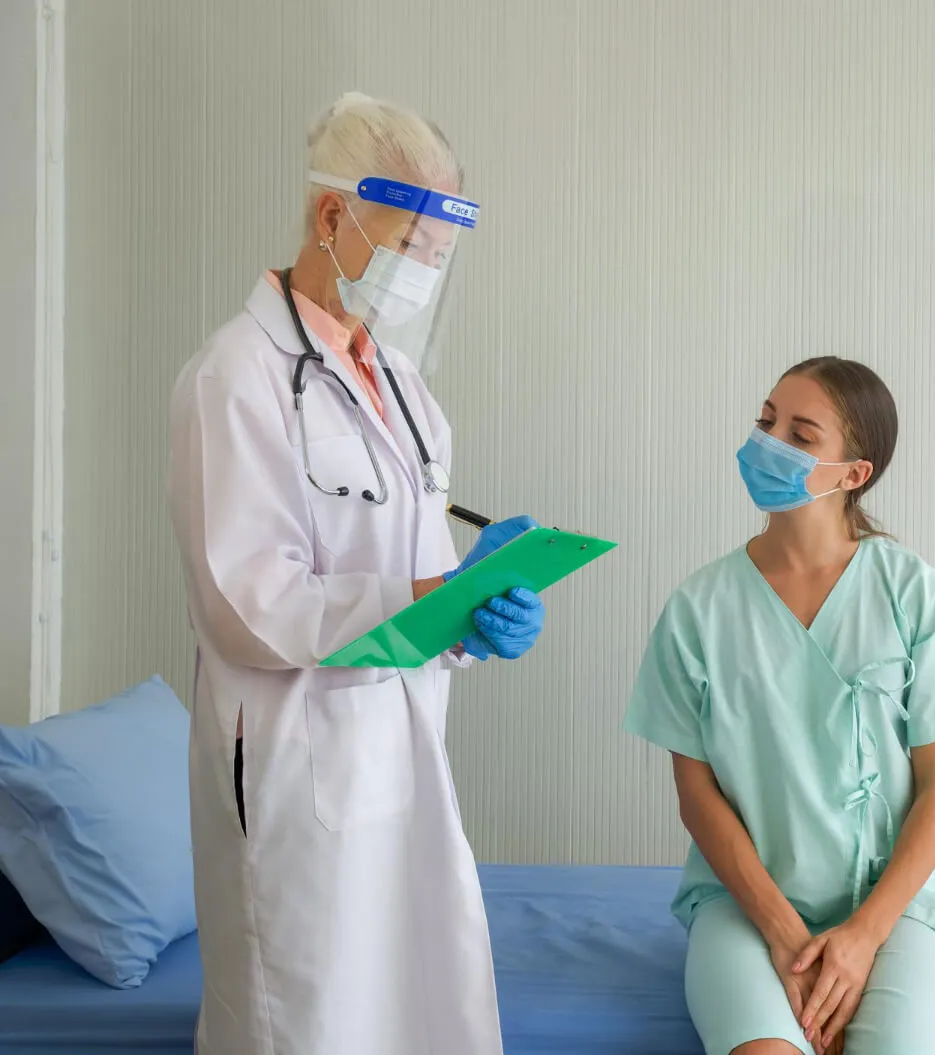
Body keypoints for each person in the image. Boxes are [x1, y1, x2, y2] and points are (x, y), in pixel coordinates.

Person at [167, 92, 542, 1055]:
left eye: (438, 251)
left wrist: (470, 613)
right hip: (296, 772)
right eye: (411, 240)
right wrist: (435, 600)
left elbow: (411, 576)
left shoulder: (406, 389)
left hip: (401, 751)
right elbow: (249, 601)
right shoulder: (236, 375)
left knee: (419, 1008)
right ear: (333, 216)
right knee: (310, 1017)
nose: (425, 269)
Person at [623, 358, 935, 1055]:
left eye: (801, 432)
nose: (770, 441)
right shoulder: (700, 609)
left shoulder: (913, 593)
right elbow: (696, 793)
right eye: (766, 421)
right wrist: (783, 933)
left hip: (897, 908)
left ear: (853, 473)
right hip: (747, 906)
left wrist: (861, 938)